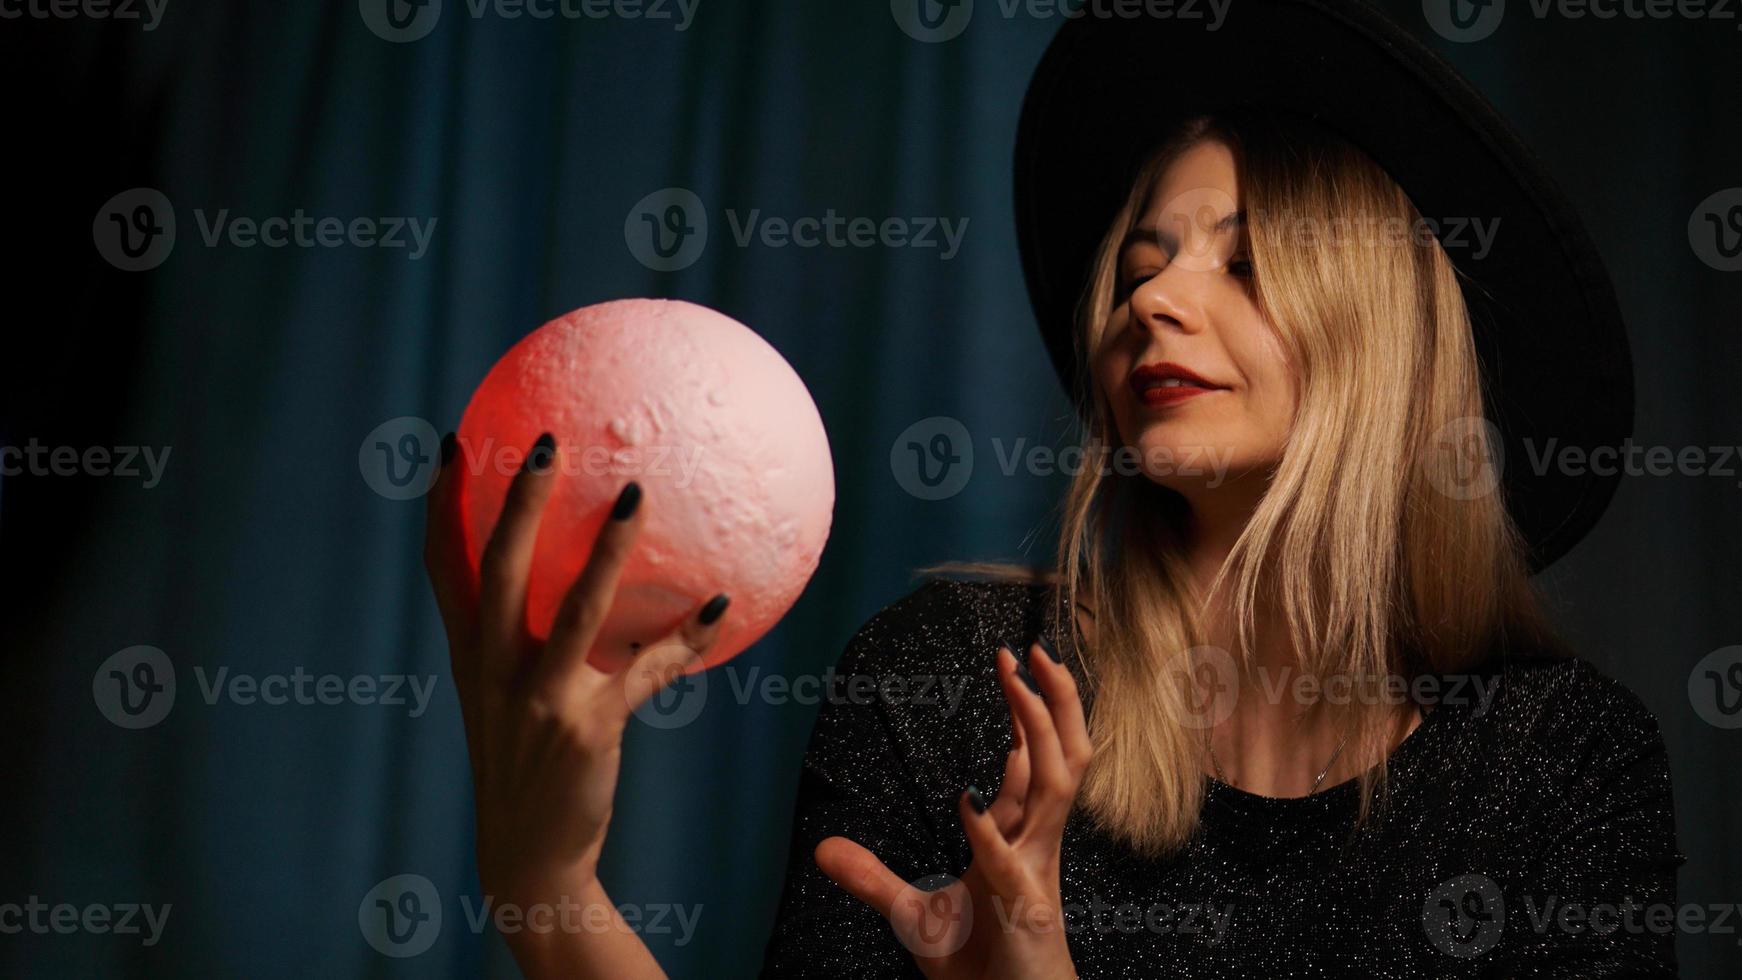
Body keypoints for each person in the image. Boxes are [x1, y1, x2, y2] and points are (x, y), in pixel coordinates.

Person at [422, 3, 1682, 976]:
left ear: (1388, 337)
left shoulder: (1562, 762)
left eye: (1242, 264)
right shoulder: (947, 682)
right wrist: (551, 882)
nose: (1151, 298)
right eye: (1140, 262)